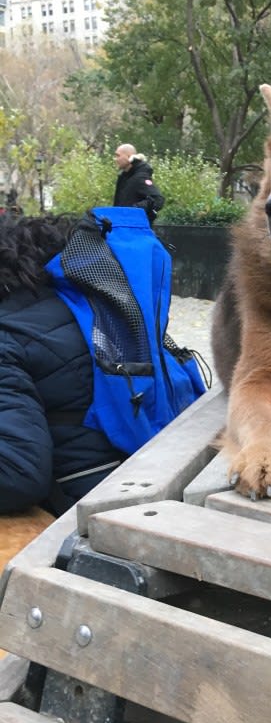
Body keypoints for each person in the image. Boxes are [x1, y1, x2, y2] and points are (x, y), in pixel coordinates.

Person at [0, 215, 127, 516]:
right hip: (140, 473)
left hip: (94, 514)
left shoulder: (7, 337)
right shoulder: (86, 303)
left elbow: (19, 474)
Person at [113, 143, 165, 223]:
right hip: (122, 228)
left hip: (136, 230)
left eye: (118, 156)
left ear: (128, 156)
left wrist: (133, 210)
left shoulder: (140, 177)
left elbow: (158, 199)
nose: (115, 159)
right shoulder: (124, 177)